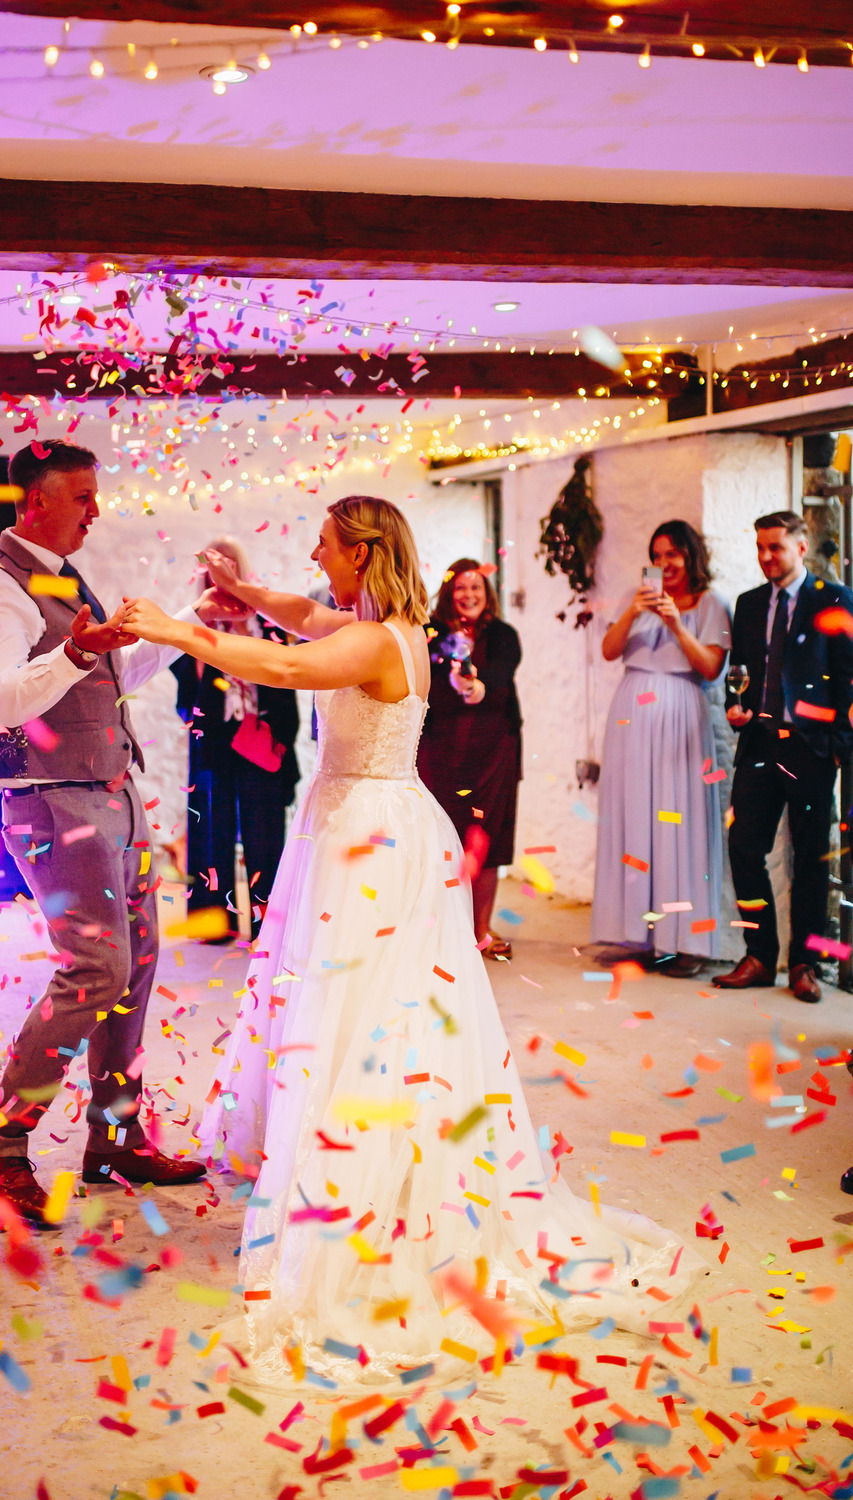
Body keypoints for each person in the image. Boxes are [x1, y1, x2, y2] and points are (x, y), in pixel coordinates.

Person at [122, 496, 697, 1387]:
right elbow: (293, 613)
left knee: (364, 1015)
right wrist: (237, 587)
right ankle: (364, 1170)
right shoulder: (374, 623)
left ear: (361, 553)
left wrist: (177, 628)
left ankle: (367, 1197)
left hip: (369, 842)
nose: (314, 553)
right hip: (368, 823)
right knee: (363, 1008)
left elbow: (275, 657)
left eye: (325, 543)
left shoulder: (376, 641)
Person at [0, 439, 232, 1225]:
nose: (96, 510)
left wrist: (181, 623)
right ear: (35, 501)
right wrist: (75, 649)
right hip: (53, 803)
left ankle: (114, 1137)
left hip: (114, 794)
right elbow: (7, 698)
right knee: (96, 968)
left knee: (137, 962)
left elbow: (107, 675)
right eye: (81, 496)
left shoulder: (62, 579)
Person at [714, 511, 853, 1002]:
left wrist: (837, 748)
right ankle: (759, 954)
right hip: (758, 745)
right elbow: (742, 672)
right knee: (745, 850)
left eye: (776, 547)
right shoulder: (749, 604)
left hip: (812, 752)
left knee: (811, 860)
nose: (767, 557)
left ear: (801, 544)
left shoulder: (835, 600)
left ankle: (805, 964)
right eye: (760, 548)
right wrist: (738, 710)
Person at [591, 520, 731, 977]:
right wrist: (633, 611)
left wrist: (675, 623)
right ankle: (639, 933)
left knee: (678, 821)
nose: (666, 563)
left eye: (674, 554)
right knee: (635, 820)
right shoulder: (640, 602)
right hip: (632, 717)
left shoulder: (711, 604)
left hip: (679, 718)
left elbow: (710, 667)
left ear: (691, 557)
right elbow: (610, 651)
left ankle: (685, 940)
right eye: (658, 554)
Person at [174, 536, 300, 940]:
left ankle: (268, 926)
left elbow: (287, 688)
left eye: (229, 566)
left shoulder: (268, 627)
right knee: (212, 832)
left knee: (266, 836)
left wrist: (280, 738)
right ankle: (215, 921)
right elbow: (184, 703)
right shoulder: (193, 628)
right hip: (214, 742)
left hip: (262, 739)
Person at [417, 558, 521, 960]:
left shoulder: (504, 634)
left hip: (494, 751)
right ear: (448, 592)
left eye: (476, 587)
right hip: (440, 750)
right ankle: (441, 927)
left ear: (487, 593)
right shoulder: (429, 633)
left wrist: (475, 684)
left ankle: (481, 929)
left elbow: (501, 675)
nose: (469, 594)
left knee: (488, 839)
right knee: (442, 839)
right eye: (461, 587)